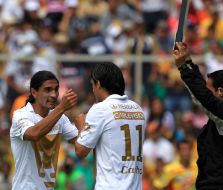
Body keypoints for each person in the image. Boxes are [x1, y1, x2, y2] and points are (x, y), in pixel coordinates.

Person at [171, 42, 223, 190]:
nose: (206, 92)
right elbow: (204, 94)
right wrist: (188, 62)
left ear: (220, 92)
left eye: (210, 89)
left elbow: (204, 98)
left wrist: (183, 67)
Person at [74, 62, 146, 190]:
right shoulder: (138, 109)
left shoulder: (100, 109)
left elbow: (80, 151)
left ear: (98, 84)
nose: (93, 90)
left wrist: (81, 126)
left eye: (92, 85)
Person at [10, 70, 81, 190]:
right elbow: (34, 134)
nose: (54, 94)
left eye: (56, 89)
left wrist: (83, 127)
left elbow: (82, 147)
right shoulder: (20, 115)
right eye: (48, 90)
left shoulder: (60, 117)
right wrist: (61, 108)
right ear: (34, 92)